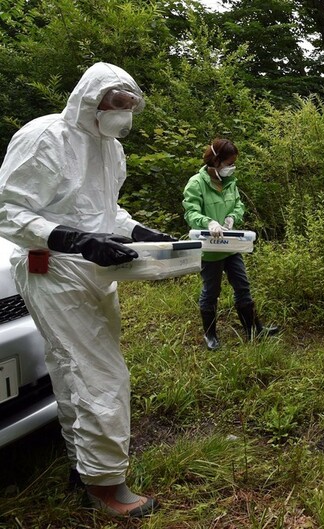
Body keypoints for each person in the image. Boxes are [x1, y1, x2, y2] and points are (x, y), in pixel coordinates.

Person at [0, 63, 174, 516]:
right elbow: (8, 209)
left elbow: (103, 212)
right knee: (101, 373)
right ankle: (107, 488)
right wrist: (69, 239)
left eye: (130, 105)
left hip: (93, 270)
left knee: (71, 366)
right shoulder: (45, 137)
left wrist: (139, 231)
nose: (124, 113)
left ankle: (84, 465)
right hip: (52, 268)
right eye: (116, 103)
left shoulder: (109, 147)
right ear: (90, 99)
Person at [182, 138, 279, 350]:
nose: (231, 168)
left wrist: (232, 219)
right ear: (216, 161)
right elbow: (191, 212)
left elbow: (238, 205)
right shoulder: (196, 184)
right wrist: (209, 222)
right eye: (229, 163)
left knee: (242, 286)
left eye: (233, 163)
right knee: (211, 291)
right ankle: (210, 336)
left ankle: (254, 330)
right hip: (210, 248)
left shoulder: (230, 183)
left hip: (231, 246)